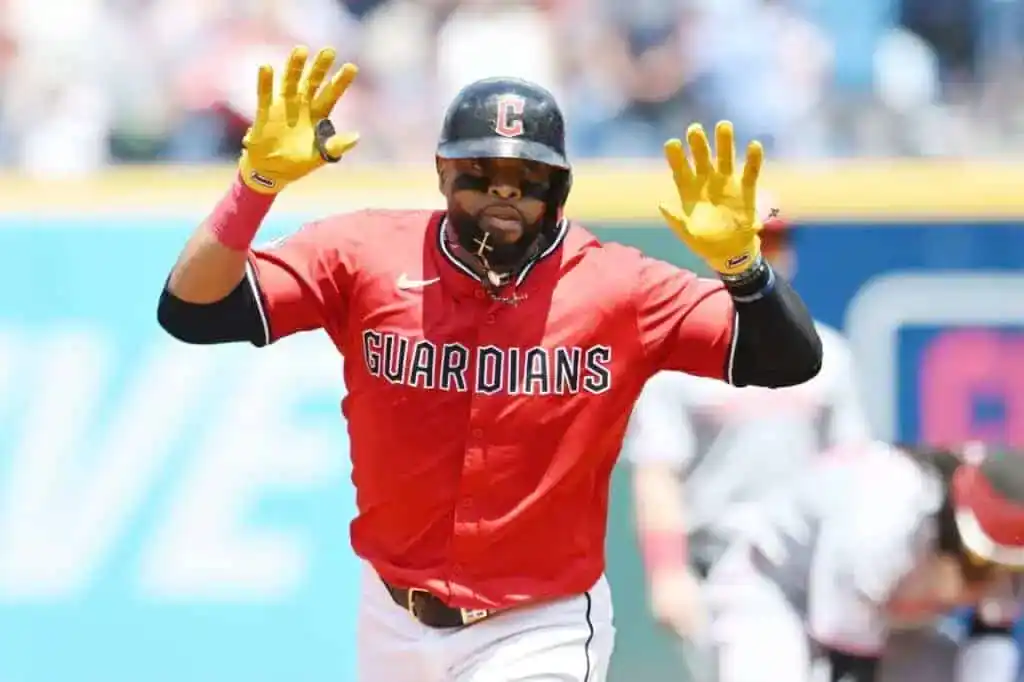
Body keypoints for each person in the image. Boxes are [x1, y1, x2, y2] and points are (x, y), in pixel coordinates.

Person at [156, 45, 823, 682]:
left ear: (559, 187)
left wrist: (745, 270)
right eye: (481, 172)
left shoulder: (618, 287)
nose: (503, 192)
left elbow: (788, 360)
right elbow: (193, 310)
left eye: (527, 176)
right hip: (392, 615)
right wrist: (256, 184)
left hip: (537, 625)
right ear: (443, 174)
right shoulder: (364, 255)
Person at [622, 207, 872, 678]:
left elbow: (852, 468)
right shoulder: (678, 362)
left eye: (772, 242)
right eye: (747, 242)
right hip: (720, 559)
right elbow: (657, 474)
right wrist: (666, 571)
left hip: (810, 562)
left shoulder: (828, 354)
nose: (762, 255)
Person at [700, 442, 1024, 682]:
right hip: (774, 590)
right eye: (983, 565)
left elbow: (991, 647)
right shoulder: (885, 523)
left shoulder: (1006, 541)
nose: (998, 580)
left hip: (881, 617)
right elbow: (846, 667)